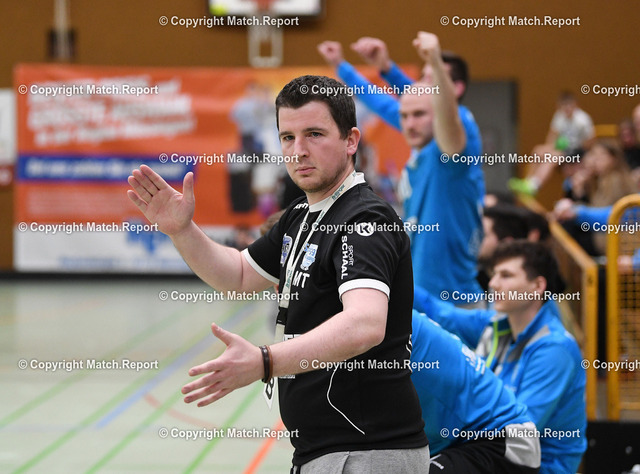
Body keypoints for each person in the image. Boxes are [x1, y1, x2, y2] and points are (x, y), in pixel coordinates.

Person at [127, 75, 429, 473]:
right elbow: (238, 275)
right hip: (326, 450)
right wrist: (182, 231)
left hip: (366, 452)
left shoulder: (365, 219)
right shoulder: (299, 217)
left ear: (351, 140)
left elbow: (365, 324)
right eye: (287, 137)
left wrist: (265, 361)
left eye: (314, 134)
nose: (298, 150)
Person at [318, 33, 484, 303]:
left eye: (432, 81)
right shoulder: (423, 131)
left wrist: (432, 60)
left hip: (453, 300)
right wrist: (350, 67)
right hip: (424, 293)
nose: (419, 86)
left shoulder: (458, 131)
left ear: (455, 89)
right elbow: (394, 103)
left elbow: (438, 109)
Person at [416, 241, 586, 474]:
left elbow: (520, 427)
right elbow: (439, 312)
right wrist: (393, 279)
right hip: (492, 447)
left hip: (539, 465)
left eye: (506, 275)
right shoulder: (496, 323)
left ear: (538, 286)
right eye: (494, 274)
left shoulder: (555, 349)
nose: (493, 283)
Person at [411, 310, 540, 473]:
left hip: (501, 441)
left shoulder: (552, 348)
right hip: (450, 442)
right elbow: (440, 310)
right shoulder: (494, 326)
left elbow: (535, 418)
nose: (493, 289)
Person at [509, 91, 595, 196]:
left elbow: (590, 141)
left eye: (569, 105)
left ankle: (535, 186)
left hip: (577, 150)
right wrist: (552, 147)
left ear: (575, 105)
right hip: (562, 148)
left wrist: (572, 147)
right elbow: (552, 135)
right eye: (564, 106)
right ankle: (527, 181)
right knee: (538, 150)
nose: (567, 108)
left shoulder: (583, 119)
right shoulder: (559, 116)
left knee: (551, 158)